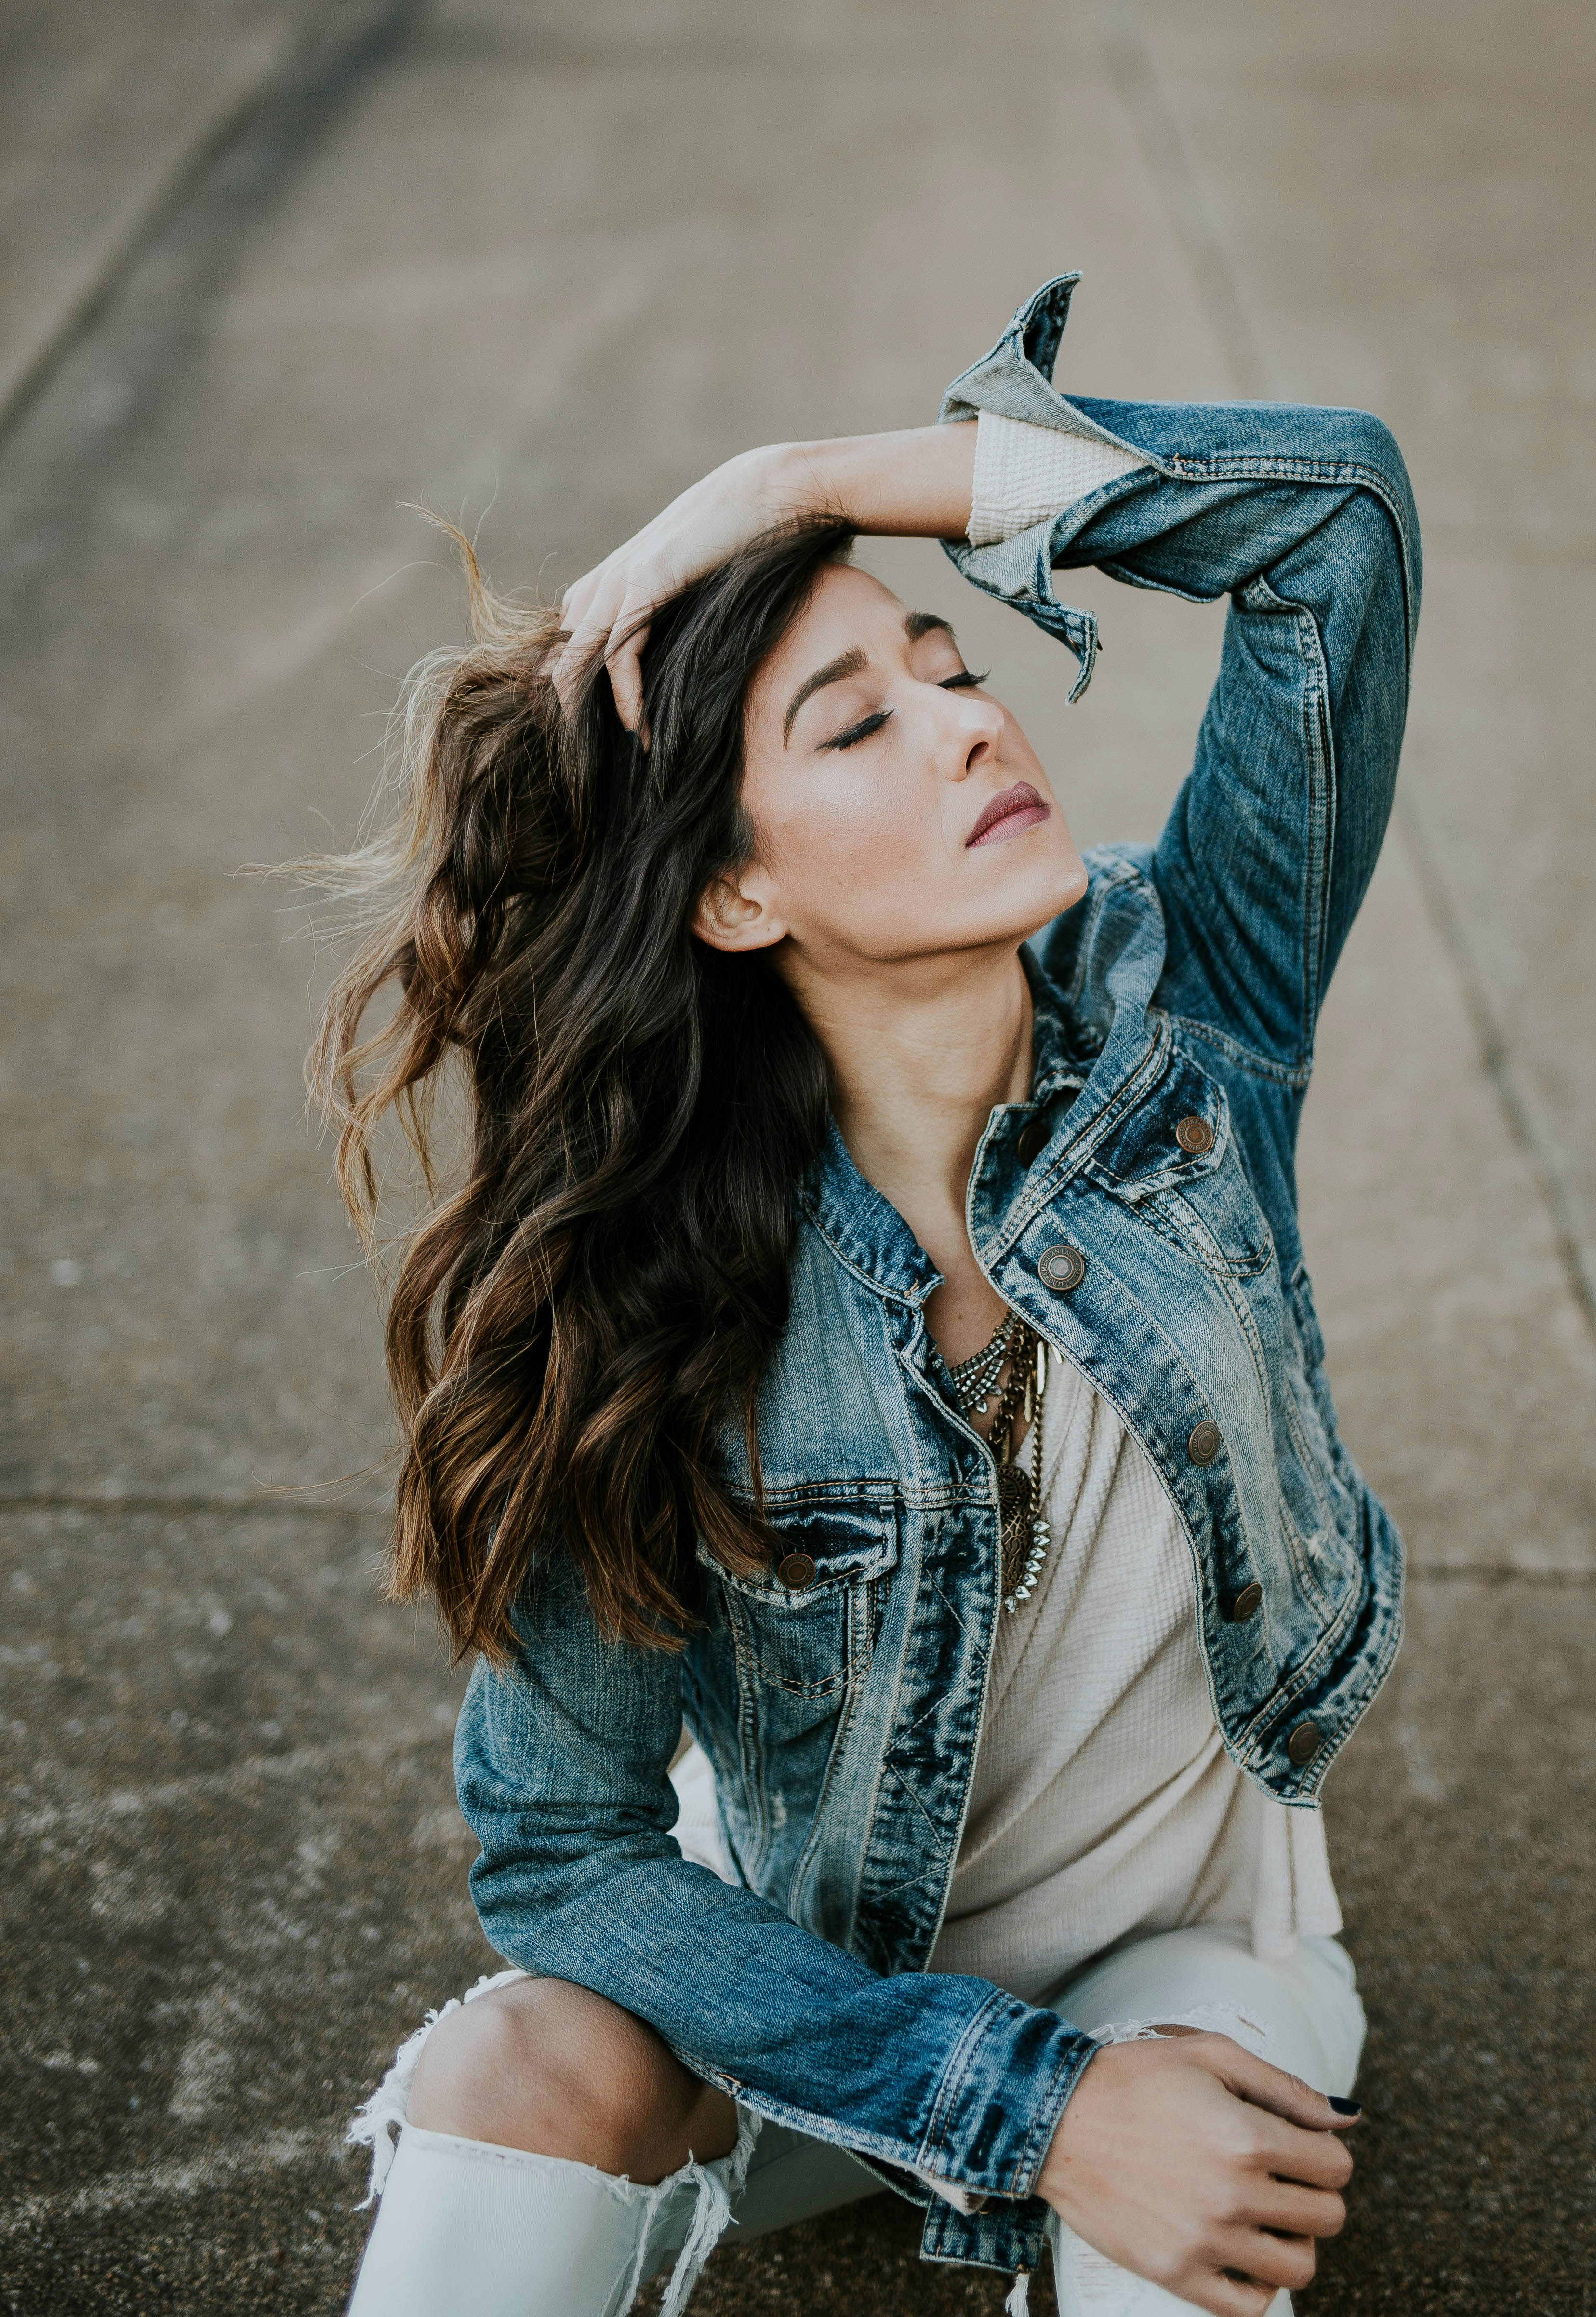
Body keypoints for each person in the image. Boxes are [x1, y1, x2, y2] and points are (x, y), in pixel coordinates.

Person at [313, 275, 1419, 2317]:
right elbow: (564, 1852)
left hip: (1188, 1965)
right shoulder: (658, 1290)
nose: (973, 718)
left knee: (1190, 2173)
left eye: (949, 665)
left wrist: (805, 482)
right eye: (862, 722)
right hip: (841, 2007)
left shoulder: (1203, 1031)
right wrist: (1015, 2102)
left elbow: (1333, 525)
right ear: (739, 893)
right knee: (515, 2057)